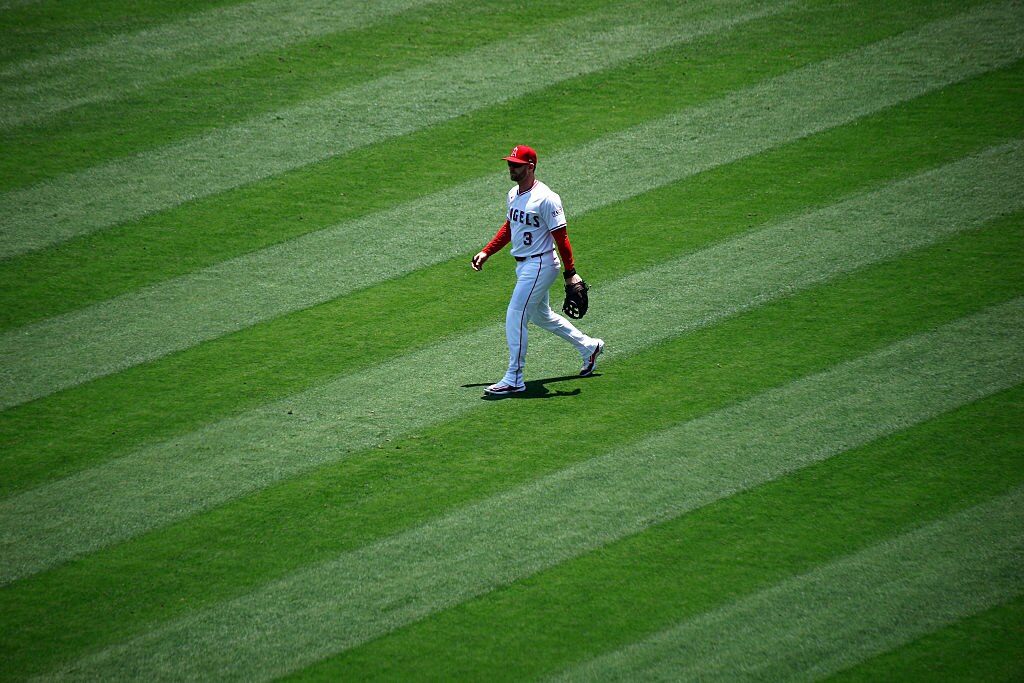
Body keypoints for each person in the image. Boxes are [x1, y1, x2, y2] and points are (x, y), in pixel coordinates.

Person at [471, 144, 604, 395]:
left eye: (516, 165)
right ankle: (589, 347)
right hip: (524, 265)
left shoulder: (547, 198)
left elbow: (561, 237)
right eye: (510, 163)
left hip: (541, 263)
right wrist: (487, 251)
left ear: (530, 167)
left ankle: (514, 377)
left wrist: (570, 273)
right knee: (542, 316)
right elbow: (510, 227)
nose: (511, 167)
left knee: (515, 314)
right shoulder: (513, 194)